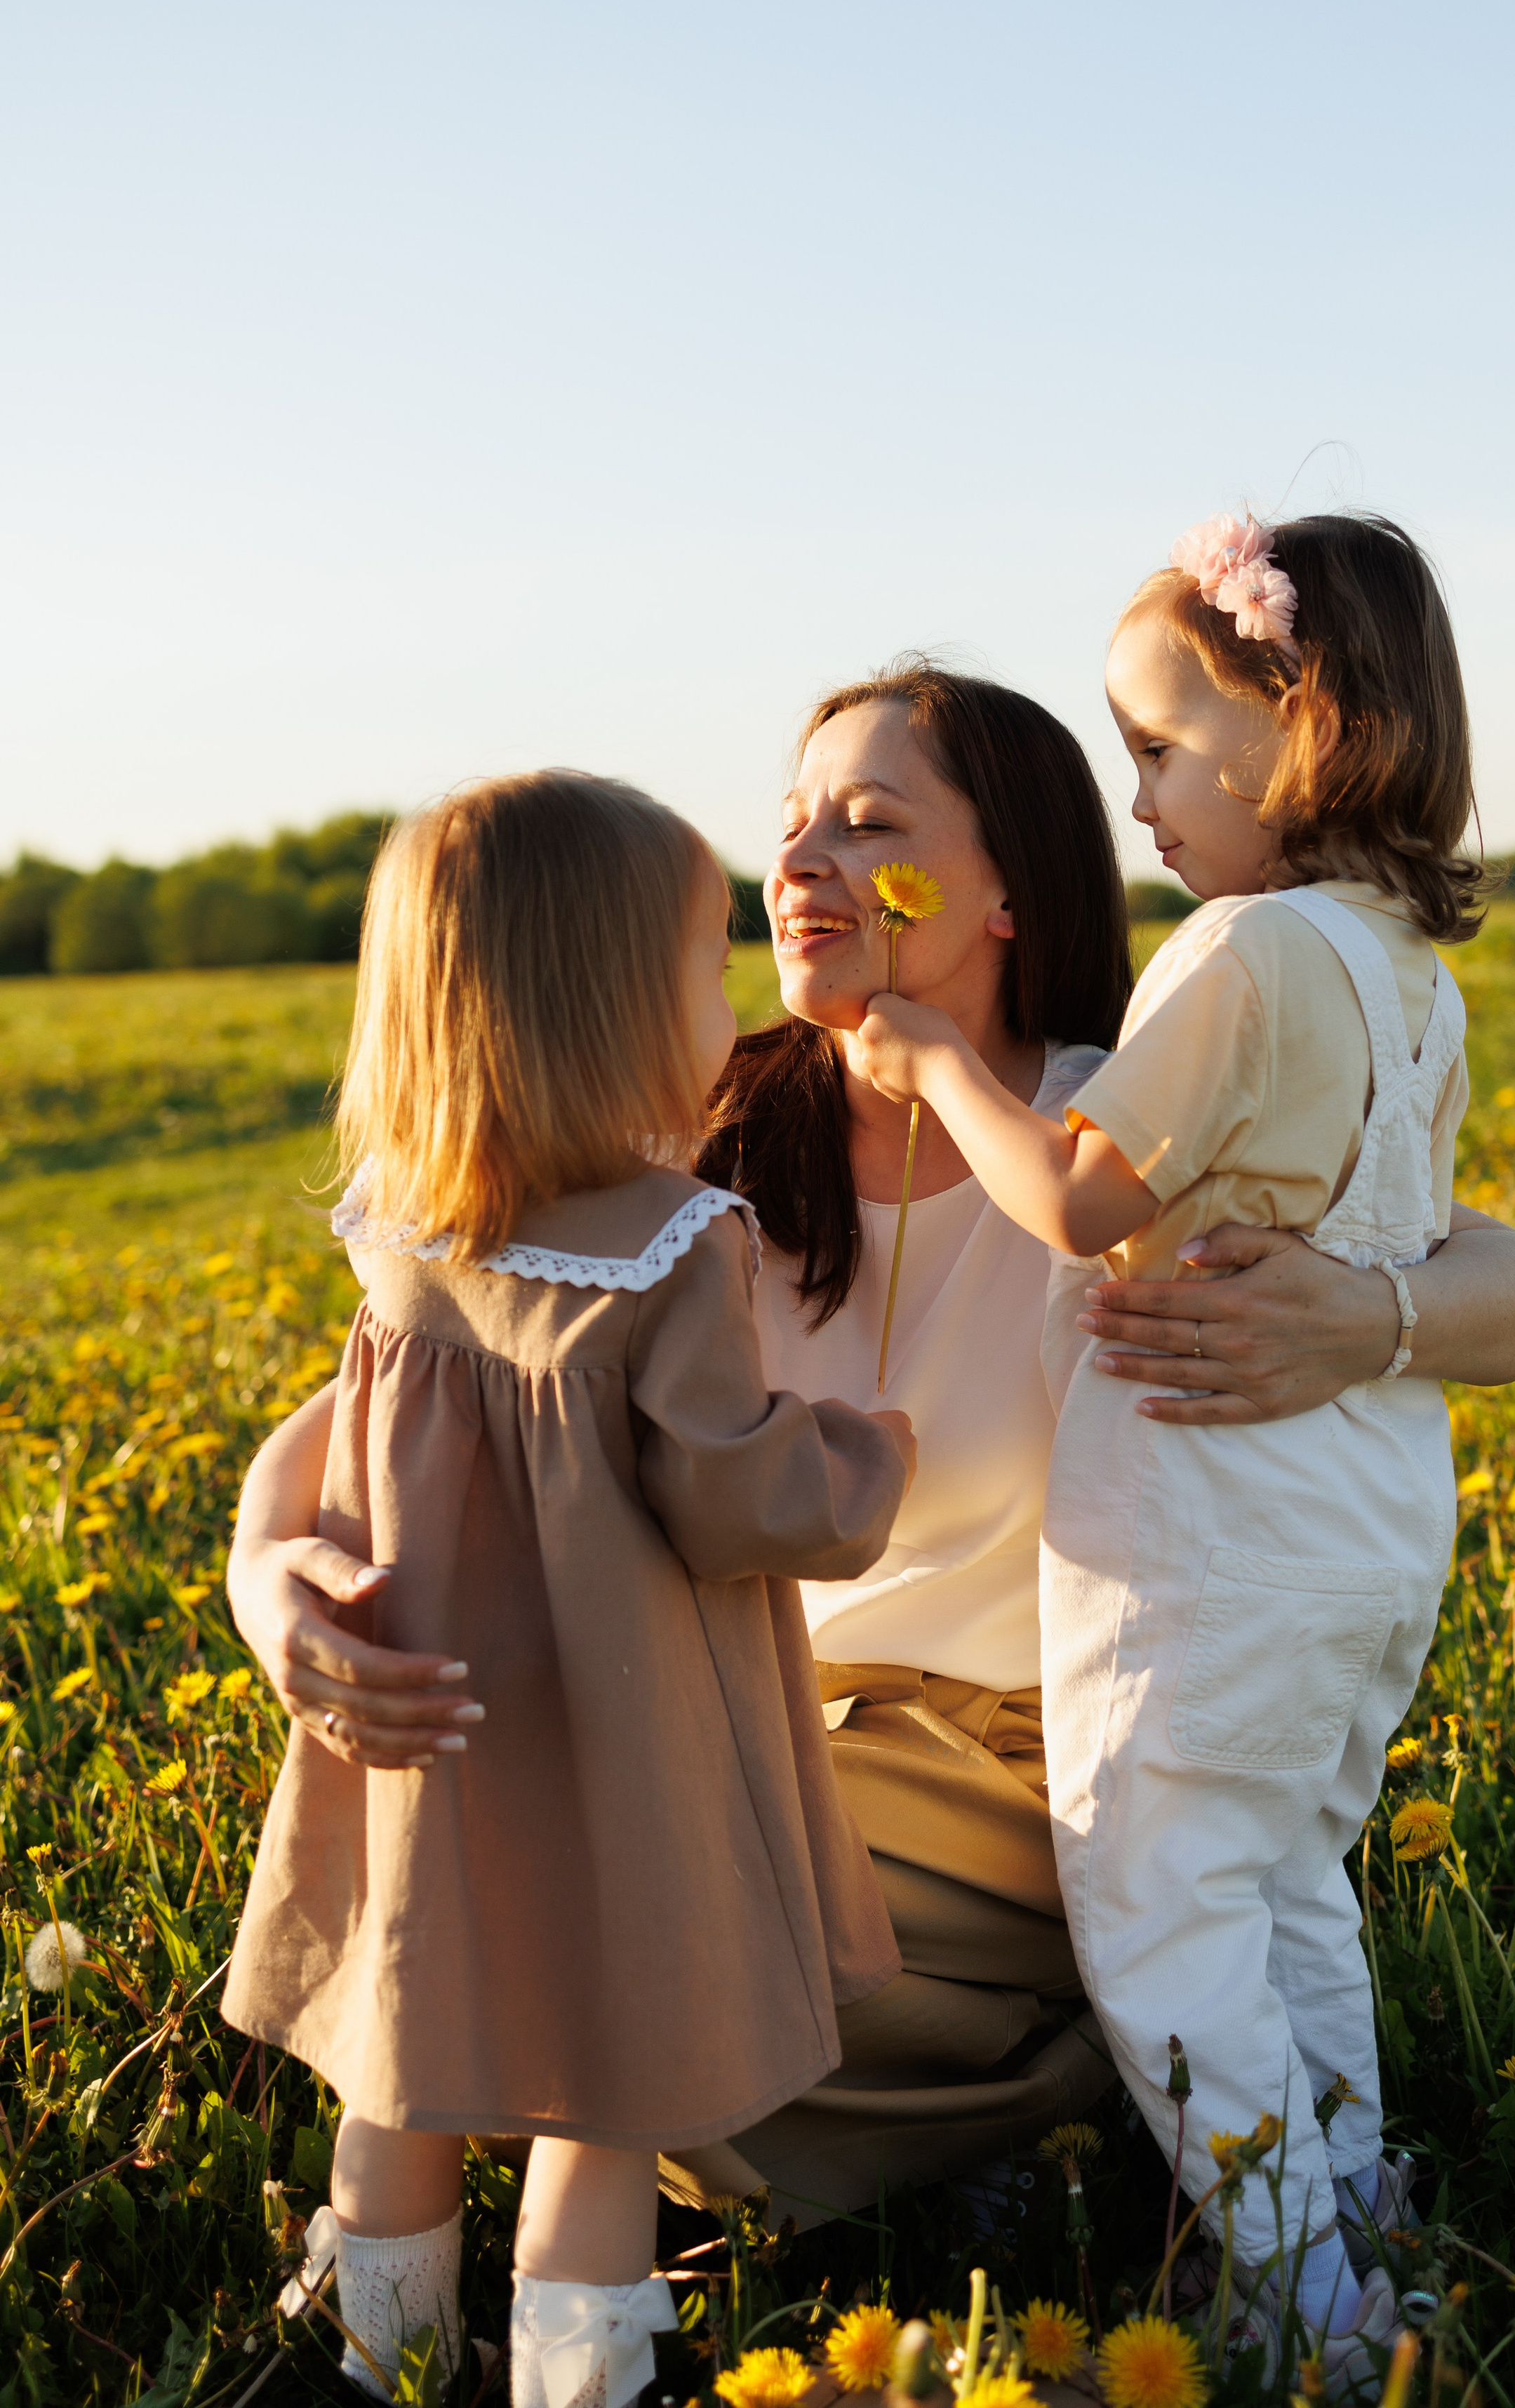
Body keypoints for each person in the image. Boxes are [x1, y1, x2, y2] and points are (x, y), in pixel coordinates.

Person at [227, 664, 1515, 2237]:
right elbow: (388, 1392)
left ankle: (947, 2086)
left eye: (867, 825)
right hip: (719, 1713)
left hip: (1014, 1756)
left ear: (1009, 890)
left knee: (626, 1946)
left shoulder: (1118, 1144)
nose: (799, 864)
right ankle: (962, 2103)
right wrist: (278, 1580)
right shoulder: (685, 1129)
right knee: (498, 1867)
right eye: (790, 823)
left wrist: (1369, 1321)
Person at [857, 517, 1507, 2376]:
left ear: (1295, 724)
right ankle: (1362, 2211)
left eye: (1155, 748)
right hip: (1366, 1509)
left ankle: (1312, 2310)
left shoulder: (1242, 948)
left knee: (1156, 1907)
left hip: (1205, 1522)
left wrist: (944, 1069)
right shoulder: (1409, 976)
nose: (1136, 799)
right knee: (1292, 1876)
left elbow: (1078, 1195)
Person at [222, 771, 912, 2405]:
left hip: (431, 1737)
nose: (727, 998)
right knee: (608, 2076)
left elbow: (351, 1443)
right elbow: (730, 1492)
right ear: (607, 1008)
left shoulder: (401, 1225)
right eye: (703, 966)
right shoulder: (676, 1245)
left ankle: (371, 2348)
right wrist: (860, 1456)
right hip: (618, 1742)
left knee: (406, 2037)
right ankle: (579, 2370)